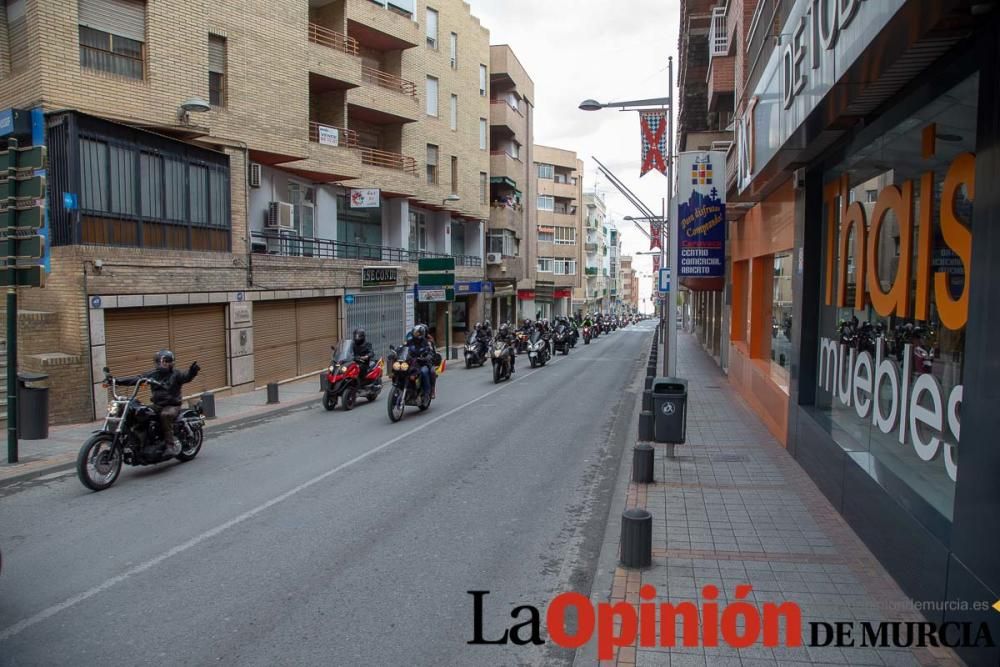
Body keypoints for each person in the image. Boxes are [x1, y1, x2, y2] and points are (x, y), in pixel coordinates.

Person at [118, 350, 199, 456]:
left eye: (165, 361)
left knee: (165, 415)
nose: (162, 364)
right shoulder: (153, 374)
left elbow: (186, 377)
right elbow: (137, 379)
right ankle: (141, 442)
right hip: (157, 405)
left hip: (172, 405)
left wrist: (192, 372)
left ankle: (170, 446)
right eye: (160, 361)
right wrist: (117, 381)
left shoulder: (176, 374)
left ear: (171, 362)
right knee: (138, 412)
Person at [407, 324, 437, 400]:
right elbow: (404, 347)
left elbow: (431, 351)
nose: (416, 334)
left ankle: (427, 392)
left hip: (423, 362)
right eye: (415, 332)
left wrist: (428, 356)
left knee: (424, 371)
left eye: (418, 333)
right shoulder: (410, 340)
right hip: (412, 361)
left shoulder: (426, 342)